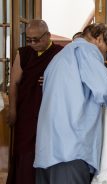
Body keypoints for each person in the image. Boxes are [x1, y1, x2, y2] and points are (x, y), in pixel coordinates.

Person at [34, 23, 107, 184]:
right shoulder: (87, 50)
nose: (105, 55)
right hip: (71, 150)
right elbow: (104, 89)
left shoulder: (58, 58)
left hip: (46, 151)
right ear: (99, 39)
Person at [7, 19, 63, 184]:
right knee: (25, 153)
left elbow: (67, 82)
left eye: (36, 39)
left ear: (48, 35)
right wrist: (12, 110)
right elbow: (15, 83)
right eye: (29, 39)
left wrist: (51, 79)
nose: (32, 43)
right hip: (26, 112)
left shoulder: (60, 53)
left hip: (50, 114)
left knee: (46, 151)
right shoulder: (22, 53)